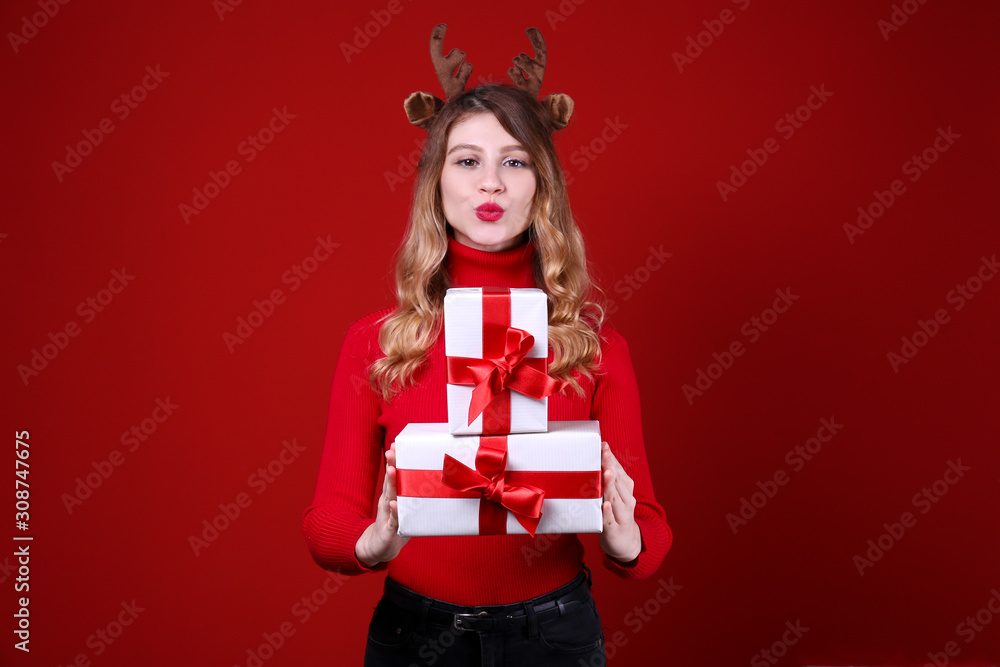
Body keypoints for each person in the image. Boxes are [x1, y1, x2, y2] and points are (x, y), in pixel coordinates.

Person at [302, 25, 672, 666]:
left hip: (552, 634)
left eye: (516, 159)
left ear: (543, 185)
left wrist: (626, 539)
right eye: (467, 160)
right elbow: (326, 519)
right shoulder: (378, 344)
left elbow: (650, 529)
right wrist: (373, 540)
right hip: (414, 635)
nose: (491, 183)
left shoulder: (596, 349)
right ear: (435, 185)